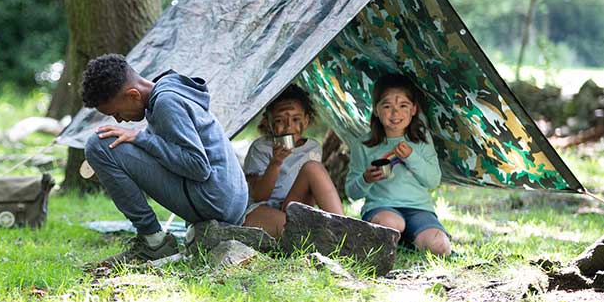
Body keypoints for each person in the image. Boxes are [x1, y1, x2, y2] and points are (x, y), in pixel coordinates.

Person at [81, 54, 249, 265]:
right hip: (227, 200)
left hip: (214, 201)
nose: (119, 120)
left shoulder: (166, 102)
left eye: (116, 112)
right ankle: (175, 238)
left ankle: (153, 243)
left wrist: (141, 138)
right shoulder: (168, 91)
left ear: (133, 95)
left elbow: (198, 166)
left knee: (98, 145)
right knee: (111, 143)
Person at [345, 73, 450, 255]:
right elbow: (351, 193)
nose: (395, 113)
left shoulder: (421, 141)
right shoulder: (363, 145)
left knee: (440, 247)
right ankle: (398, 240)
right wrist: (366, 179)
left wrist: (411, 157)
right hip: (381, 208)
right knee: (392, 224)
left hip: (419, 210)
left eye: (403, 106)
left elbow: (433, 181)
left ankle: (407, 242)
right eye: (387, 106)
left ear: (414, 109)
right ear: (376, 110)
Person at [242, 85, 344, 239]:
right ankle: (315, 236)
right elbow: (259, 196)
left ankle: (343, 228)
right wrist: (275, 163)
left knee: (313, 168)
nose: (289, 126)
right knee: (298, 233)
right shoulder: (260, 148)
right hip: (262, 210)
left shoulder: (312, 147)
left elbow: (311, 193)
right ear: (269, 123)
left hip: (292, 207)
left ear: (306, 121)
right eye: (279, 120)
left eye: (296, 119)